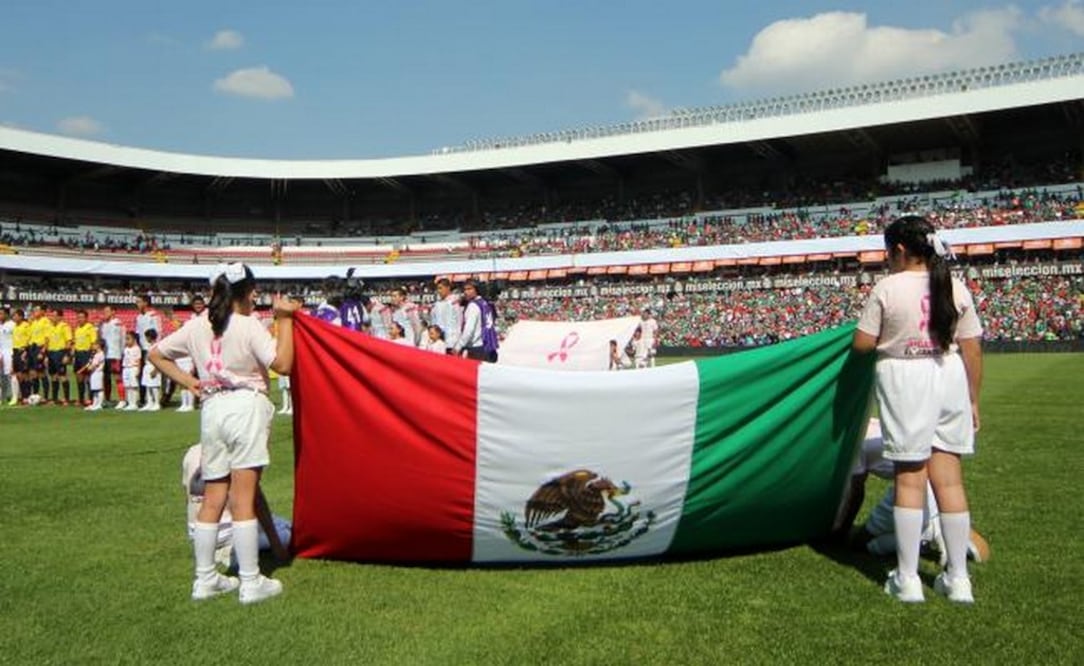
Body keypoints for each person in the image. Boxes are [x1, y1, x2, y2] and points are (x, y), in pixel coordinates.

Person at [149, 261, 299, 604]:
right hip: (246, 406)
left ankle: (205, 579)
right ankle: (250, 581)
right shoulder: (248, 325)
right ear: (247, 292)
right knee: (243, 496)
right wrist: (285, 320)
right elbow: (283, 364)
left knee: (214, 496)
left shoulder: (197, 325)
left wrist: (190, 382)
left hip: (213, 408)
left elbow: (157, 354)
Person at [853, 215, 984, 604]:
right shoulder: (954, 285)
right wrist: (973, 399)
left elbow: (862, 344)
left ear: (898, 250)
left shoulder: (888, 287)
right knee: (950, 482)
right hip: (950, 374)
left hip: (905, 377)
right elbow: (972, 348)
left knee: (910, 478)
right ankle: (958, 579)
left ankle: (907, 578)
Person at [834, 419, 990, 564]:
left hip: (911, 490)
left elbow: (854, 490)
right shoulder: (878, 424)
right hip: (940, 490)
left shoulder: (855, 439)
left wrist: (840, 531)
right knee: (981, 550)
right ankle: (936, 528)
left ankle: (922, 538)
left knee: (858, 542)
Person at [181, 444, 292, 569]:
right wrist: (277, 547)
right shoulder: (237, 455)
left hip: (198, 532)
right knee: (288, 533)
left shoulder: (191, 452)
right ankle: (233, 554)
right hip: (229, 532)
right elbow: (256, 501)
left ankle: (211, 553)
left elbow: (188, 496)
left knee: (278, 522)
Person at [454, 280, 499, 362]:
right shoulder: (485, 303)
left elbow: (469, 330)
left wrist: (458, 346)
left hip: (476, 348)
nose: (466, 292)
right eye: (465, 289)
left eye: (469, 289)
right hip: (488, 345)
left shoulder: (473, 306)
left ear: (477, 290)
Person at [134, 294, 162, 407]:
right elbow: (137, 333)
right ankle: (144, 399)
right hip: (142, 348)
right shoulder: (138, 317)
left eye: (139, 301)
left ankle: (156, 400)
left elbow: (158, 332)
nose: (137, 304)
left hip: (151, 348)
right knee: (142, 374)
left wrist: (155, 347)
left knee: (153, 373)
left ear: (145, 303)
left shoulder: (154, 315)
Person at [99, 305, 126, 407]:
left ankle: (122, 400)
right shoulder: (103, 325)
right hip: (105, 355)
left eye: (107, 311)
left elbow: (123, 339)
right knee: (106, 378)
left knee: (117, 377)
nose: (105, 313)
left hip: (115, 354)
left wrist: (122, 353)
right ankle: (107, 399)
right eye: (104, 311)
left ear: (113, 312)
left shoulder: (118, 323)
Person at [44, 308, 73, 405]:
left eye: (55, 316)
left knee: (62, 376)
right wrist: (46, 356)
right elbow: (47, 341)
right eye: (52, 316)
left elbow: (69, 341)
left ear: (60, 317)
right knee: (53, 376)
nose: (53, 318)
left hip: (60, 353)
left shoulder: (65, 327)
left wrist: (67, 355)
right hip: (51, 353)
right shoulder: (49, 327)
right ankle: (54, 398)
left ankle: (66, 399)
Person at [72, 309, 98, 406]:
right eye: (78, 317)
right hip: (78, 354)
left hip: (86, 353)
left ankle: (91, 399)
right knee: (79, 376)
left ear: (86, 318)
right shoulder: (77, 329)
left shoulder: (90, 328)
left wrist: (91, 356)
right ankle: (81, 398)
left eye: (82, 317)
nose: (80, 319)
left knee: (88, 377)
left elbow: (93, 343)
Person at [429, 278, 462, 352]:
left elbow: (458, 323)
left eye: (441, 288)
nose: (439, 291)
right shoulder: (437, 304)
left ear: (448, 288)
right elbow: (434, 322)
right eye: (438, 288)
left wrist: (457, 344)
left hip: (451, 342)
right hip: (438, 342)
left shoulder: (454, 303)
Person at [27, 305, 52, 400]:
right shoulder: (33, 322)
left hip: (40, 348)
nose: (35, 312)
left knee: (41, 373)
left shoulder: (45, 321)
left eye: (37, 310)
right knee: (33, 373)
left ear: (42, 312)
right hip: (32, 348)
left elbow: (47, 337)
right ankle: (36, 395)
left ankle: (45, 397)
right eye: (34, 310)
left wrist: (43, 351)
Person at [120, 331, 143, 411]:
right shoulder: (126, 349)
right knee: (127, 386)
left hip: (133, 368)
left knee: (133, 386)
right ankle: (130, 403)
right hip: (126, 368)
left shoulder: (137, 348)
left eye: (128, 339)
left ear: (134, 339)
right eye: (126, 339)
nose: (126, 341)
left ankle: (134, 403)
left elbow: (139, 360)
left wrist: (138, 370)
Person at [140, 329, 161, 411]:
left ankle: (157, 403)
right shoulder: (149, 346)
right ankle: (150, 402)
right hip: (147, 366)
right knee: (148, 386)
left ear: (149, 337)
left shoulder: (157, 346)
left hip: (153, 366)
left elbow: (159, 358)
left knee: (154, 386)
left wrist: (156, 369)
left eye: (146, 337)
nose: (146, 339)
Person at [82, 340, 106, 411]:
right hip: (93, 373)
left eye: (95, 344)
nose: (93, 346)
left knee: (99, 389)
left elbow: (95, 365)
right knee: (95, 389)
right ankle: (95, 404)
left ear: (99, 345)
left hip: (98, 373)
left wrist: (89, 368)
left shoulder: (101, 354)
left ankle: (99, 404)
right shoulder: (95, 354)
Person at [0, 308, 14, 405]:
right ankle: (2, 396)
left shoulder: (12, 325)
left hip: (9, 352)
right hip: (1, 351)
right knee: (1, 376)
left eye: (1, 314)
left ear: (6, 315)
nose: (0, 315)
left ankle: (11, 395)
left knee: (9, 374)